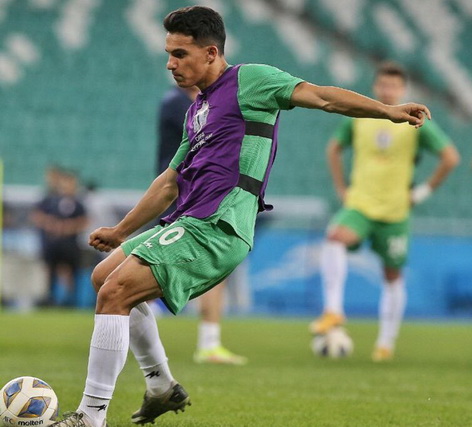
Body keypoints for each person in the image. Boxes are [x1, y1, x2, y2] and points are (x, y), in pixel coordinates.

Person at [52, 6, 431, 426]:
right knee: (104, 277)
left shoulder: (250, 80)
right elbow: (169, 183)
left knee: (115, 293)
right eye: (169, 54)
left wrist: (387, 111)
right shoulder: (197, 110)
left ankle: (91, 416)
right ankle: (161, 386)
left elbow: (322, 96)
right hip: (188, 220)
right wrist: (120, 231)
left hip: (219, 225)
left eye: (180, 54)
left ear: (211, 53)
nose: (170, 63)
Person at [309, 62, 459, 362]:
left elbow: (450, 157)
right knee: (334, 239)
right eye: (383, 84)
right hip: (361, 205)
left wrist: (422, 192)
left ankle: (385, 343)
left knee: (392, 275)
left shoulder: (414, 121)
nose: (388, 90)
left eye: (394, 86)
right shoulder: (359, 117)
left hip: (395, 212)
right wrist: (341, 188)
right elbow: (334, 148)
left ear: (403, 89)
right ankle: (333, 311)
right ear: (375, 86)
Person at [158, 84, 246, 365]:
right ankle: (206, 342)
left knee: (211, 264)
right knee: (156, 266)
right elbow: (208, 133)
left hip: (197, 193)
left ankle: (209, 342)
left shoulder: (188, 102)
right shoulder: (177, 103)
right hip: (182, 193)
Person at [31, 167, 89, 307]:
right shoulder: (51, 200)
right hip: (53, 243)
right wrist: (51, 225)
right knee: (50, 270)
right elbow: (37, 215)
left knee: (71, 271)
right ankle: (49, 297)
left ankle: (70, 299)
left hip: (71, 244)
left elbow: (84, 221)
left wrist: (68, 228)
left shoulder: (78, 203)